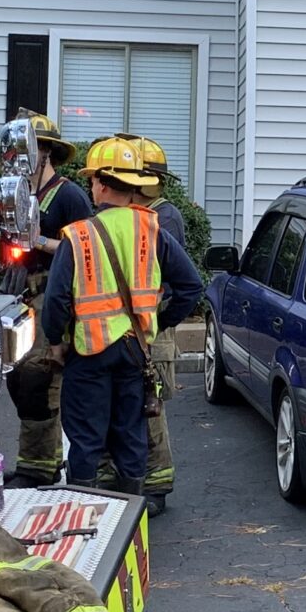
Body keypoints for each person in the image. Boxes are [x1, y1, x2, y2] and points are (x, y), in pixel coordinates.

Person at [41, 135, 204, 498]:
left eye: (92, 181)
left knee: (85, 439)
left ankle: (86, 512)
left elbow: (55, 299)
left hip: (89, 351)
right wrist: (158, 322)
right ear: (134, 186)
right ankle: (134, 517)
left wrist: (55, 342)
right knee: (131, 434)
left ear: (99, 184)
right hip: (135, 351)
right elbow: (191, 285)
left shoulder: (79, 235)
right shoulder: (152, 228)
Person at [2, 112, 93, 488]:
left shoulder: (70, 196)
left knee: (40, 382)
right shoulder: (23, 195)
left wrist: (37, 241)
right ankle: (35, 460)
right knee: (17, 380)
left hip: (51, 298)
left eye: (30, 150)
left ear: (47, 153)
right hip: (18, 297)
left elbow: (86, 249)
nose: (22, 159)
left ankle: (39, 467)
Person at [98, 134, 184, 511]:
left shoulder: (163, 219)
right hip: (129, 331)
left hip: (151, 332)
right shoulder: (138, 217)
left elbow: (177, 282)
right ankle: (130, 480)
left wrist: (160, 319)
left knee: (151, 409)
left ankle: (156, 486)